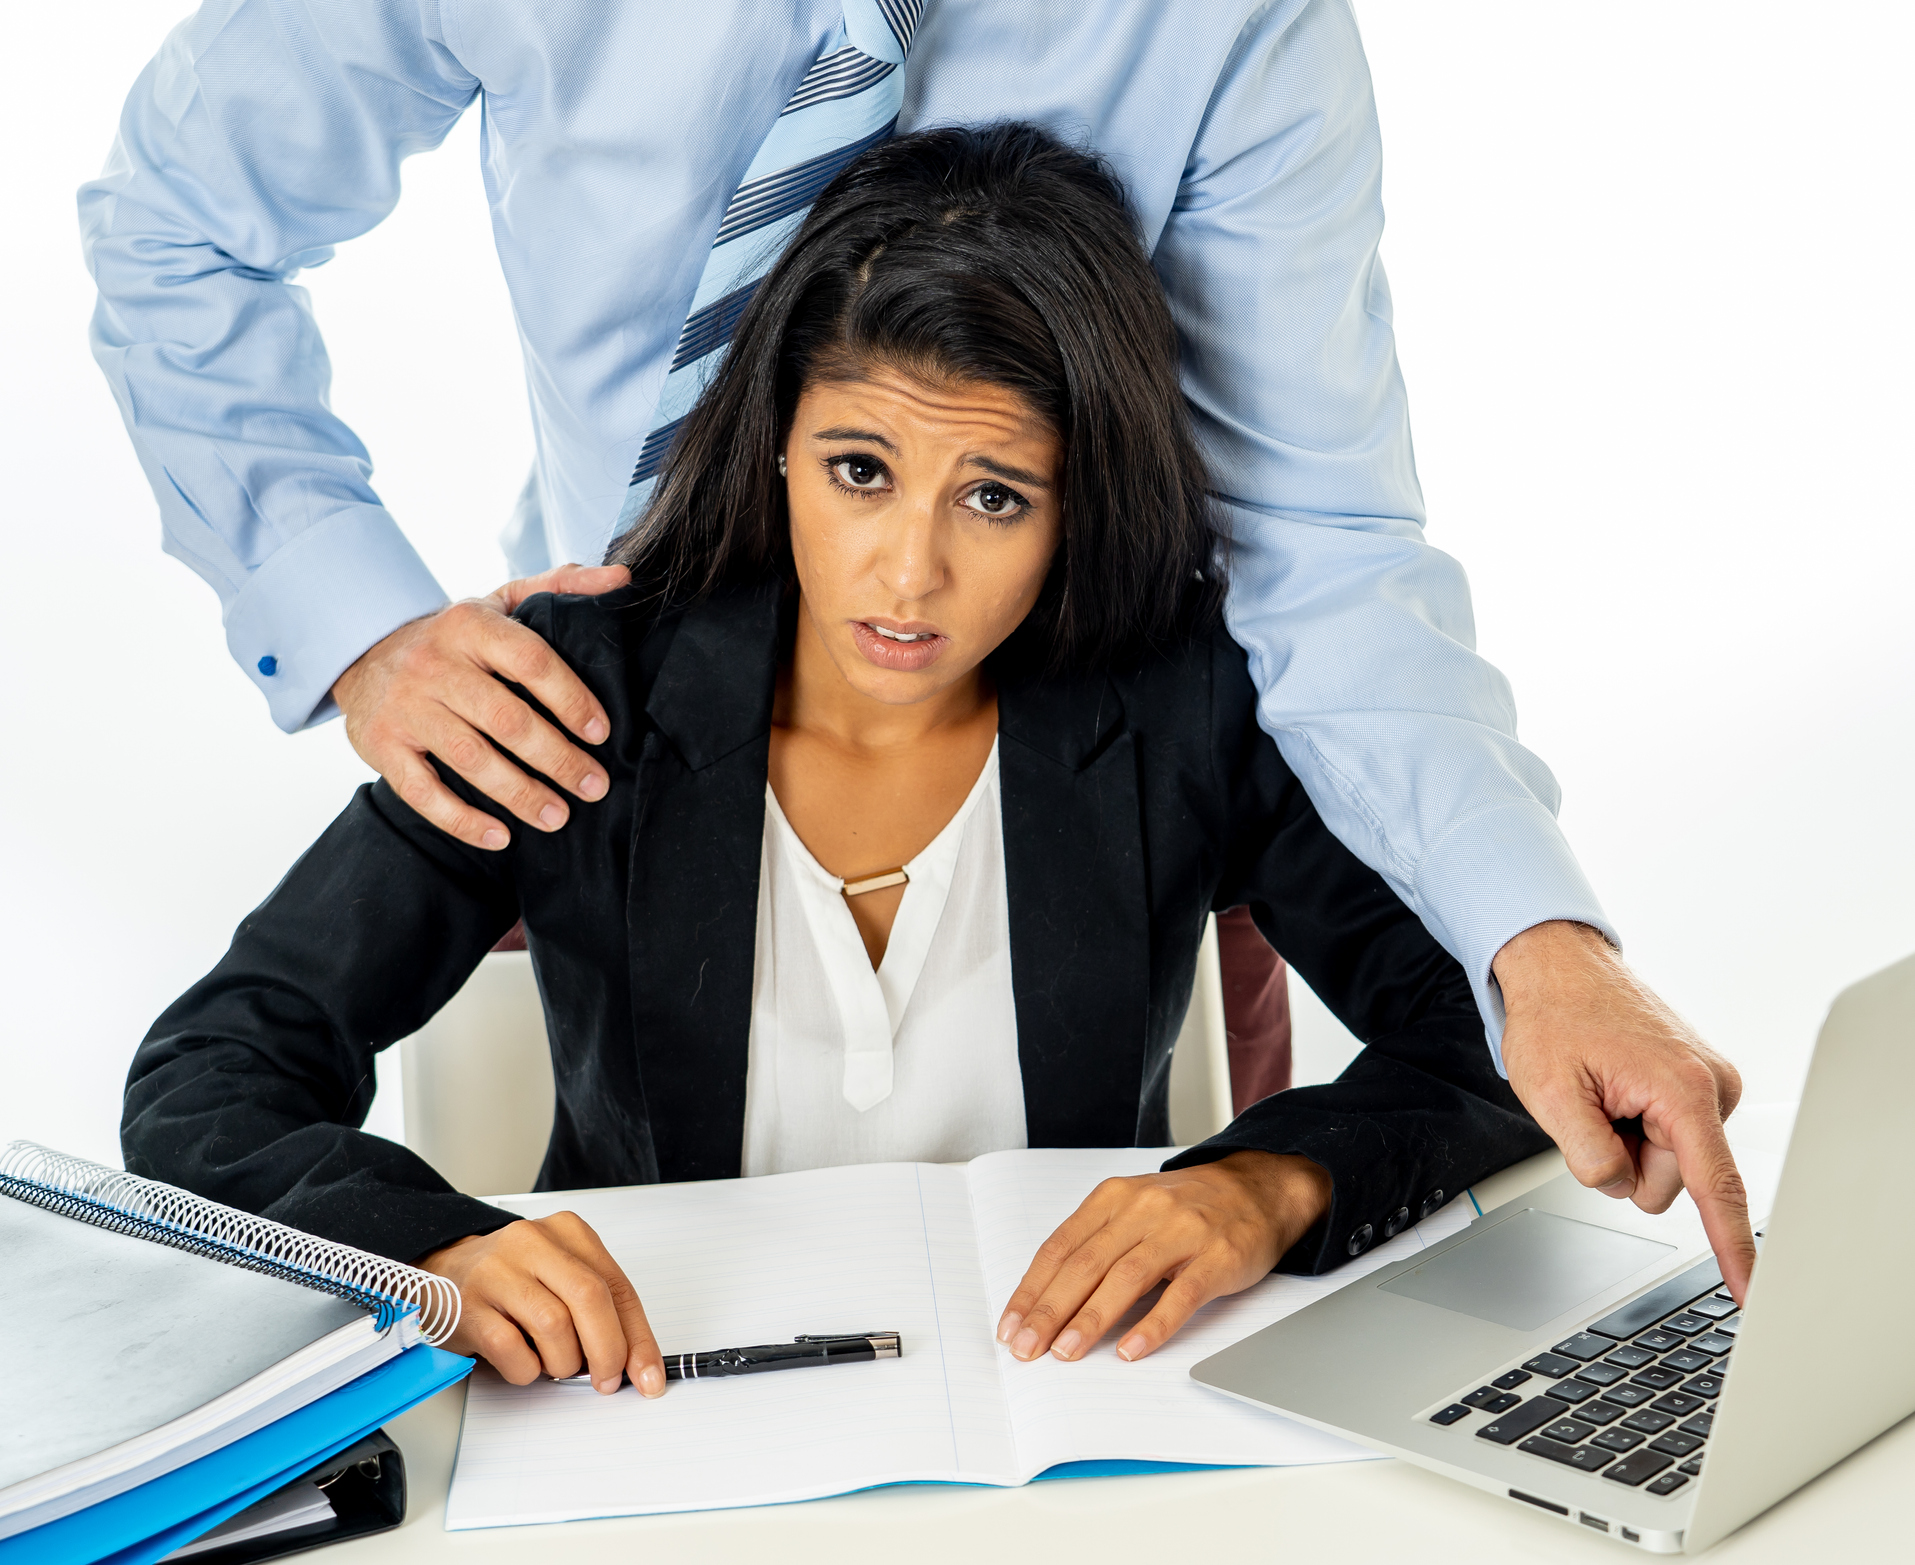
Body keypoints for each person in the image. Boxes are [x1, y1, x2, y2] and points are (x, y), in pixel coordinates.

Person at [82, 0, 1753, 1292]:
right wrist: (363, 631)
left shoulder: (1180, 728)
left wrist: (1530, 951)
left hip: (1116, 756)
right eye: (862, 469)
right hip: (617, 753)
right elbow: (175, 226)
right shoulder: (583, 710)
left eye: (990, 490)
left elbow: (1326, 545)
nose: (908, 563)